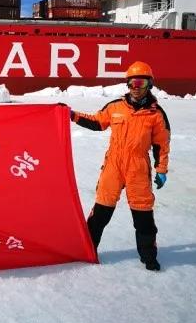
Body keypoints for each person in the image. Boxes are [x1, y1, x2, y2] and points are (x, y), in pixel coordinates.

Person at [69, 61, 171, 271]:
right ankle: (87, 250)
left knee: (143, 216)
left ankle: (148, 256)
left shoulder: (156, 114)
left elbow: (161, 145)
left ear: (149, 85)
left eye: (141, 83)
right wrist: (73, 115)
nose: (136, 87)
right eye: (132, 82)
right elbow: (97, 122)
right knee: (101, 212)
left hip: (138, 168)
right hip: (113, 165)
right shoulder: (115, 107)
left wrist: (161, 170)